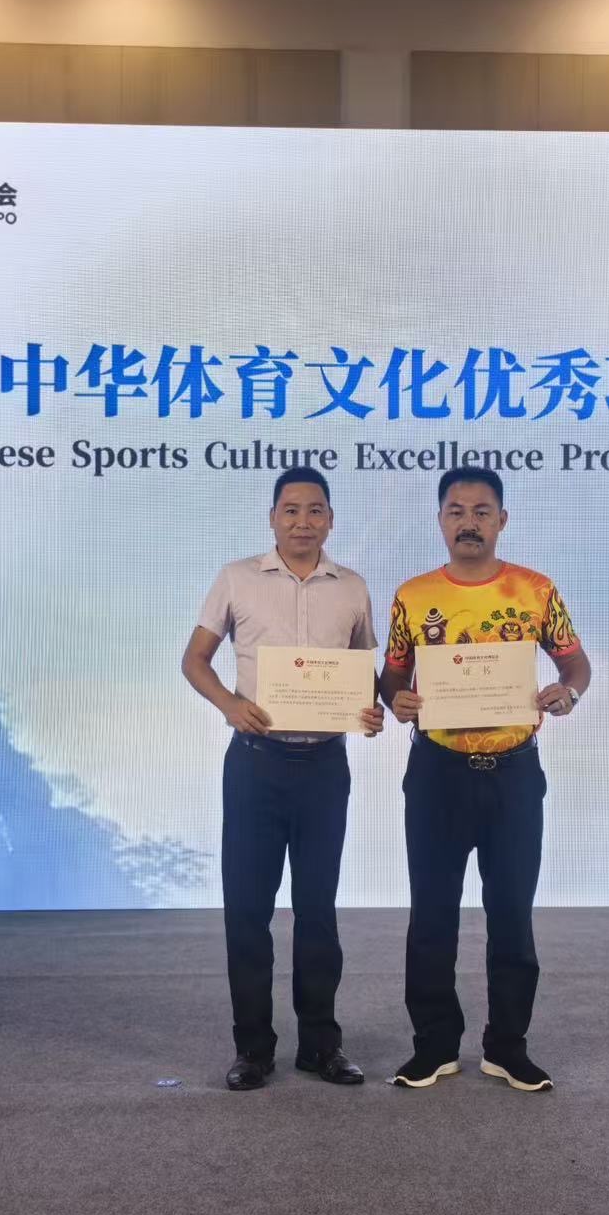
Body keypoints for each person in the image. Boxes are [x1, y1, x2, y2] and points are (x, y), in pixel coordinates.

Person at [379, 466, 591, 1092]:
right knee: (432, 915)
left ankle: (507, 1047)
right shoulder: (413, 596)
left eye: (481, 511)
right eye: (456, 511)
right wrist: (396, 700)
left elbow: (575, 664)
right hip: (437, 773)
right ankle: (434, 1047)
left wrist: (568, 693)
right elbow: (393, 676)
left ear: (502, 520)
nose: (468, 522)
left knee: (512, 914)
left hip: (514, 775)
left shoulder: (536, 590)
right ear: (440, 521)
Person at [183, 467, 385, 1091]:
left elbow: (362, 673)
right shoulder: (237, 578)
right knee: (248, 911)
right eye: (291, 510)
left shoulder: (352, 588)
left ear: (331, 520)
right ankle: (253, 1049)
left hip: (324, 767)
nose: (303, 521)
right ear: (272, 518)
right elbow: (194, 659)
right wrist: (229, 704)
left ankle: (321, 1046)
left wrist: (370, 709)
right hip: (256, 764)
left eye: (315, 510)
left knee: (317, 911)